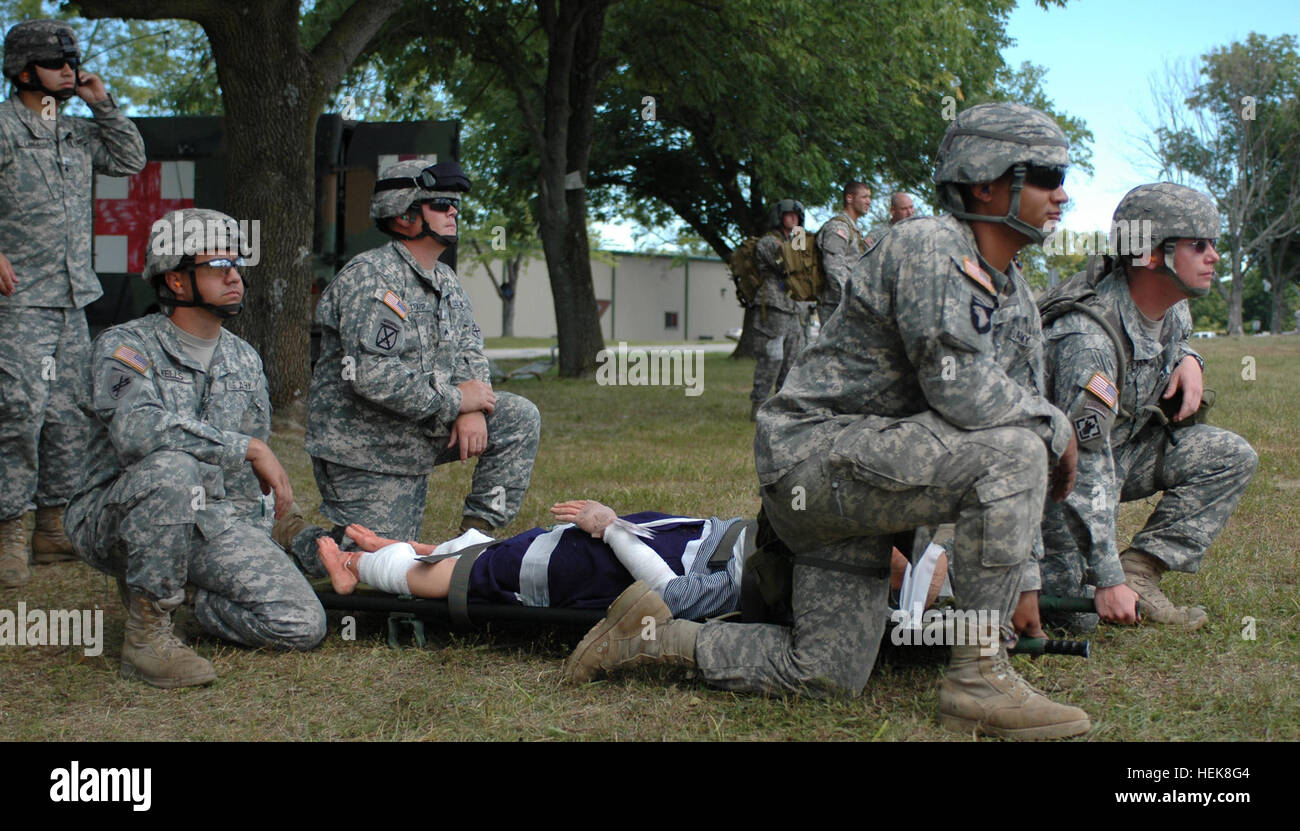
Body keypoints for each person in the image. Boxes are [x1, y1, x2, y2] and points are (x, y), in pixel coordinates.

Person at [566, 102, 1091, 741]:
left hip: (866, 483)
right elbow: (966, 397)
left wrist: (1024, 578)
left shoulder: (1012, 294)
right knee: (1018, 449)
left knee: (824, 674)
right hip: (816, 460)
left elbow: (1012, 408)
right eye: (1045, 174)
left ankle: (651, 638)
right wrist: (1056, 429)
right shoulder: (930, 245)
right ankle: (979, 678)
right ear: (986, 180)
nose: (1062, 193)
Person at [63, 209, 326, 688]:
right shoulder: (125, 347)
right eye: (217, 264)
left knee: (302, 623)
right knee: (172, 468)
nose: (234, 275)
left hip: (211, 521)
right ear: (177, 282)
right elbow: (135, 429)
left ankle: (182, 592)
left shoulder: (243, 358)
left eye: (237, 263)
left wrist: (265, 540)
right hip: (117, 515)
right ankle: (146, 638)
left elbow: (247, 486)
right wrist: (242, 446)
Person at [280, 160, 540, 577]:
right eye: (441, 204)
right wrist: (456, 399)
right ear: (404, 215)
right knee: (380, 568)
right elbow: (371, 375)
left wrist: (472, 408)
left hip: (418, 427)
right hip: (366, 447)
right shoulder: (372, 277)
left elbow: (471, 353)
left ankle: (472, 544)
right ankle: (292, 533)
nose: (454, 212)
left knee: (518, 417)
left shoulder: (446, 280)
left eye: (455, 205)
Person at [1035, 183, 1257, 631]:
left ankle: (1141, 573)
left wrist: (1191, 359)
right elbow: (1082, 459)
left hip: (1122, 455)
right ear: (1151, 256)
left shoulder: (1174, 311)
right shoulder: (1090, 337)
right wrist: (1105, 576)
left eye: (1213, 243)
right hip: (1052, 485)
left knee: (1230, 457)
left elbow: (1176, 343)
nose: (1213, 256)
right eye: (1198, 245)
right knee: (1073, 621)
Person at [0, 20, 145, 587]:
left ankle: (54, 525)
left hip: (70, 296)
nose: (69, 69)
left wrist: (103, 102)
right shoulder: (5, 127)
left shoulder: (75, 131)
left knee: (66, 414)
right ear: (22, 70)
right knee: (17, 412)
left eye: (72, 60)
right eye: (57, 61)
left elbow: (130, 160)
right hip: (18, 299)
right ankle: (10, 526)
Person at [315, 500, 942, 622]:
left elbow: (670, 598)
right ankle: (402, 549)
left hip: (599, 568)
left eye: (895, 555)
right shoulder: (799, 553)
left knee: (480, 576)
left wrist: (611, 529)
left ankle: (363, 573)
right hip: (623, 540)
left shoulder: (753, 587)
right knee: (507, 547)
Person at [749, 198, 806, 420]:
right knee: (772, 357)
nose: (794, 218)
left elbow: (804, 267)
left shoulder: (793, 240)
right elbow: (790, 264)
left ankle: (782, 406)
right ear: (779, 217)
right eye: (789, 214)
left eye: (797, 215)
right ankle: (759, 403)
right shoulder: (768, 242)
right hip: (772, 306)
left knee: (792, 359)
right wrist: (800, 242)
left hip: (792, 307)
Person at [814, 182, 871, 326]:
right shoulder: (838, 228)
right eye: (864, 197)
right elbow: (833, 268)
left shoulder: (853, 229)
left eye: (869, 197)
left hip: (847, 304)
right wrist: (849, 301)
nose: (868, 201)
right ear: (849, 198)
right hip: (835, 305)